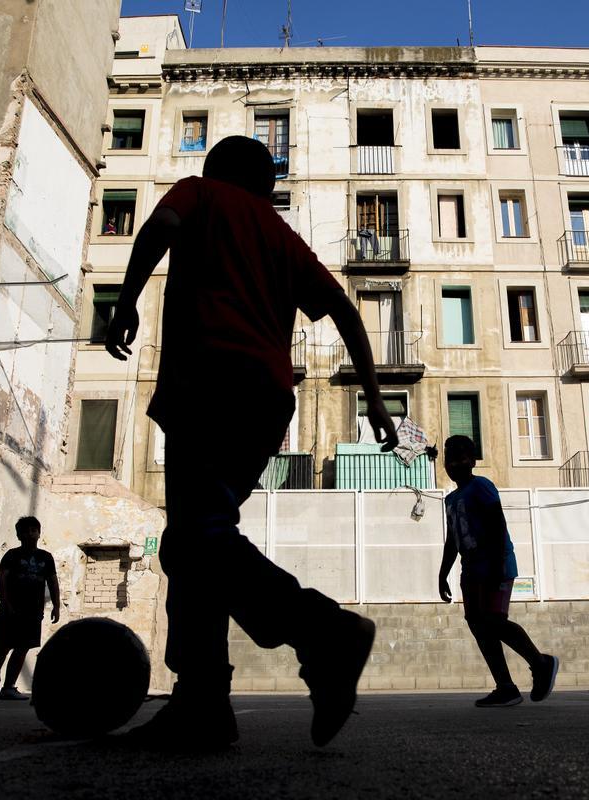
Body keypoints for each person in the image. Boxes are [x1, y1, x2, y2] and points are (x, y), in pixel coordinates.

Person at [105, 135, 399, 750]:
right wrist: (372, 399)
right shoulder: (283, 237)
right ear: (268, 186)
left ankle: (323, 632)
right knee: (195, 539)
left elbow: (157, 227)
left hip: (206, 383)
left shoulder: (201, 194)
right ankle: (202, 704)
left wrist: (127, 300)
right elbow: (346, 312)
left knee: (197, 537)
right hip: (265, 402)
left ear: (216, 171)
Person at [437, 435, 559, 707]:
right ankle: (505, 686)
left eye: (460, 457)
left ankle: (541, 663)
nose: (454, 463)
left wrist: (495, 566)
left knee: (493, 620)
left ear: (473, 460)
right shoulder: (451, 499)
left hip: (494, 564)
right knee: (478, 624)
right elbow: (452, 539)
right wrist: (443, 573)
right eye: (449, 458)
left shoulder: (482, 486)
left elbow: (497, 524)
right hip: (469, 570)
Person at [0, 516, 60, 700]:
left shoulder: (46, 557)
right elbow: (2, 578)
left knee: (22, 648)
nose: (29, 534)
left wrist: (56, 605)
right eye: (25, 531)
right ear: (19, 535)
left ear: (39, 533)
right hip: (11, 609)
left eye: (33, 530)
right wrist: (5, 602)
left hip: (33, 611)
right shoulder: (12, 555)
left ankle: (8, 687)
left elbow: (52, 582)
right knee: (2, 646)